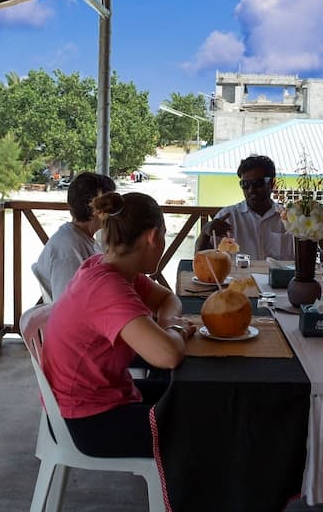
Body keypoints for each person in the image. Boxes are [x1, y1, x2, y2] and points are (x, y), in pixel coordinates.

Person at [42, 191, 197, 458]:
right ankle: (197, 498)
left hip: (108, 396)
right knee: (211, 426)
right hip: (86, 421)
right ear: (152, 237)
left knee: (201, 396)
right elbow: (168, 355)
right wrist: (177, 330)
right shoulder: (107, 286)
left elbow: (167, 298)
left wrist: (166, 323)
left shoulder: (109, 267)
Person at [195, 154, 296, 260]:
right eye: (245, 184)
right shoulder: (228, 218)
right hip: (239, 277)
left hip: (279, 277)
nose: (251, 190)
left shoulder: (290, 219)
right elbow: (200, 261)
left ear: (272, 183)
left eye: (257, 183)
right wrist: (205, 233)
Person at [34, 172, 115, 301]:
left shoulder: (80, 238)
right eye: (112, 205)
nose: (115, 213)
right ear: (97, 209)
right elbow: (66, 304)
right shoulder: (67, 248)